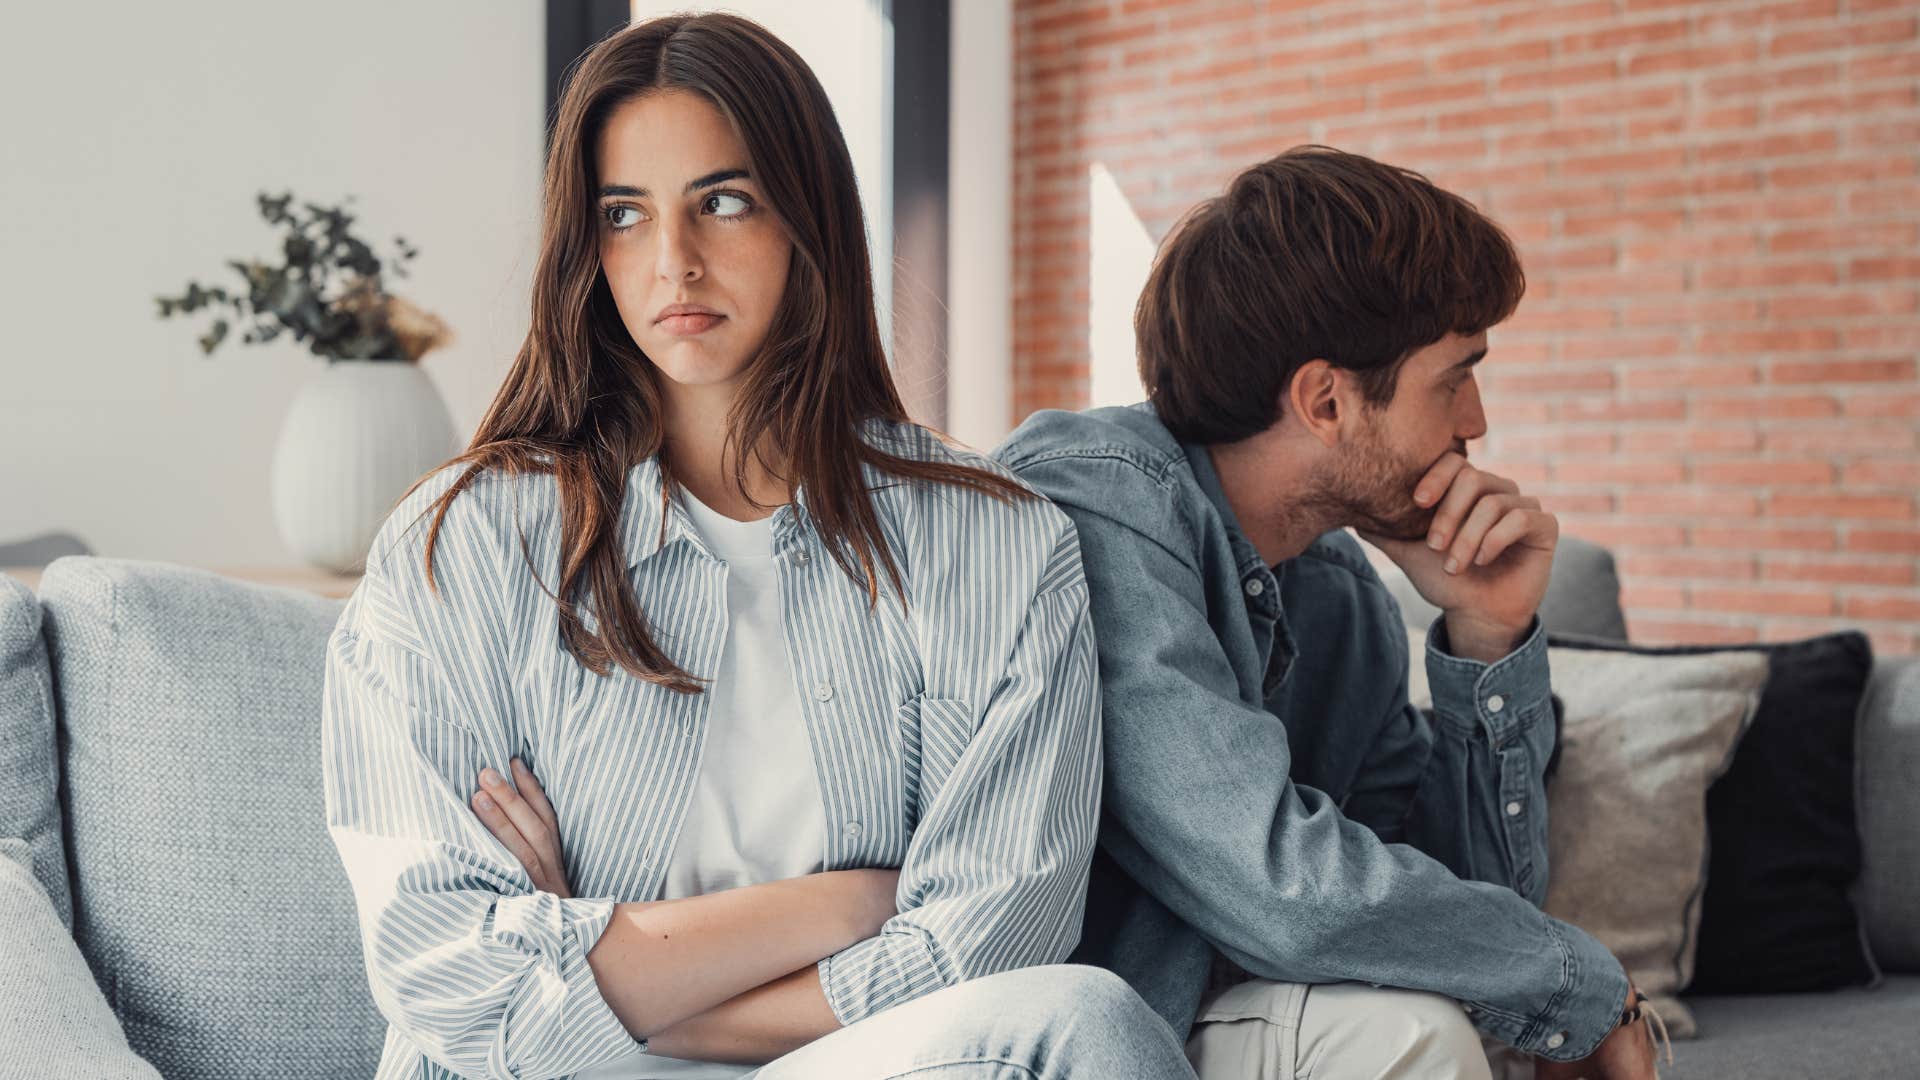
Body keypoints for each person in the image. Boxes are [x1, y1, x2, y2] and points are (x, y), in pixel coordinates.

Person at [320, 14, 1195, 1080]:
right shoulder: (459, 546)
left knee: (1085, 1020)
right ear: (585, 246)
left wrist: (625, 973)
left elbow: (990, 941)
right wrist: (848, 902)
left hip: (854, 1060)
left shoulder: (1001, 543)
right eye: (624, 215)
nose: (673, 262)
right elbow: (448, 979)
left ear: (805, 218)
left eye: (722, 203)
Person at [993, 146, 1658, 1080]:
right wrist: (1582, 986)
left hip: (1216, 1010)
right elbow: (1284, 887)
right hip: (1064, 1029)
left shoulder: (1337, 590)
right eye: (1454, 377)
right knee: (1413, 1039)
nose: (1476, 420)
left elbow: (1453, 919)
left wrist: (1486, 635)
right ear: (1326, 400)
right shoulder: (1099, 505)